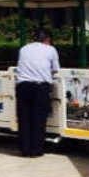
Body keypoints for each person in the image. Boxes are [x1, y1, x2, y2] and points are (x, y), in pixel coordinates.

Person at [15, 29, 60, 157]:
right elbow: (55, 69)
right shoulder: (51, 49)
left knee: (24, 118)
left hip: (22, 86)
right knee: (38, 119)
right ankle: (36, 150)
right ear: (47, 39)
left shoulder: (23, 49)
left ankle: (24, 149)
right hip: (40, 87)